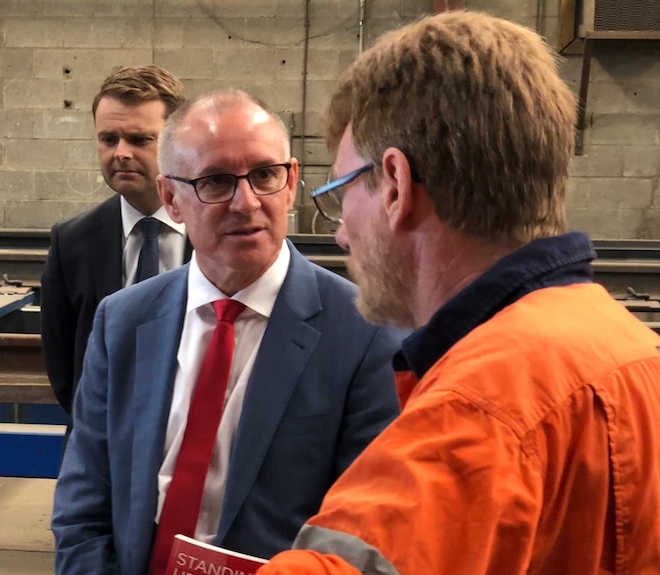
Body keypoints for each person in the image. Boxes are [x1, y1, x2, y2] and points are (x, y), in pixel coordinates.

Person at [257, 11, 660, 575]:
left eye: (342, 190)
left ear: (396, 186)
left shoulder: (481, 407)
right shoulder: (655, 366)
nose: (341, 230)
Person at [51, 89, 403, 575]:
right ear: (172, 198)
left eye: (264, 175)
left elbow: (366, 530)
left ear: (292, 182)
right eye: (216, 181)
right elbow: (83, 505)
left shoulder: (364, 331)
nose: (246, 202)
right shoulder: (123, 322)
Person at [40, 66, 192, 431]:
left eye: (140, 140)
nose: (120, 153)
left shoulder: (218, 233)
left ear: (177, 142)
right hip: (102, 448)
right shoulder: (71, 242)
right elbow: (64, 369)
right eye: (109, 139)